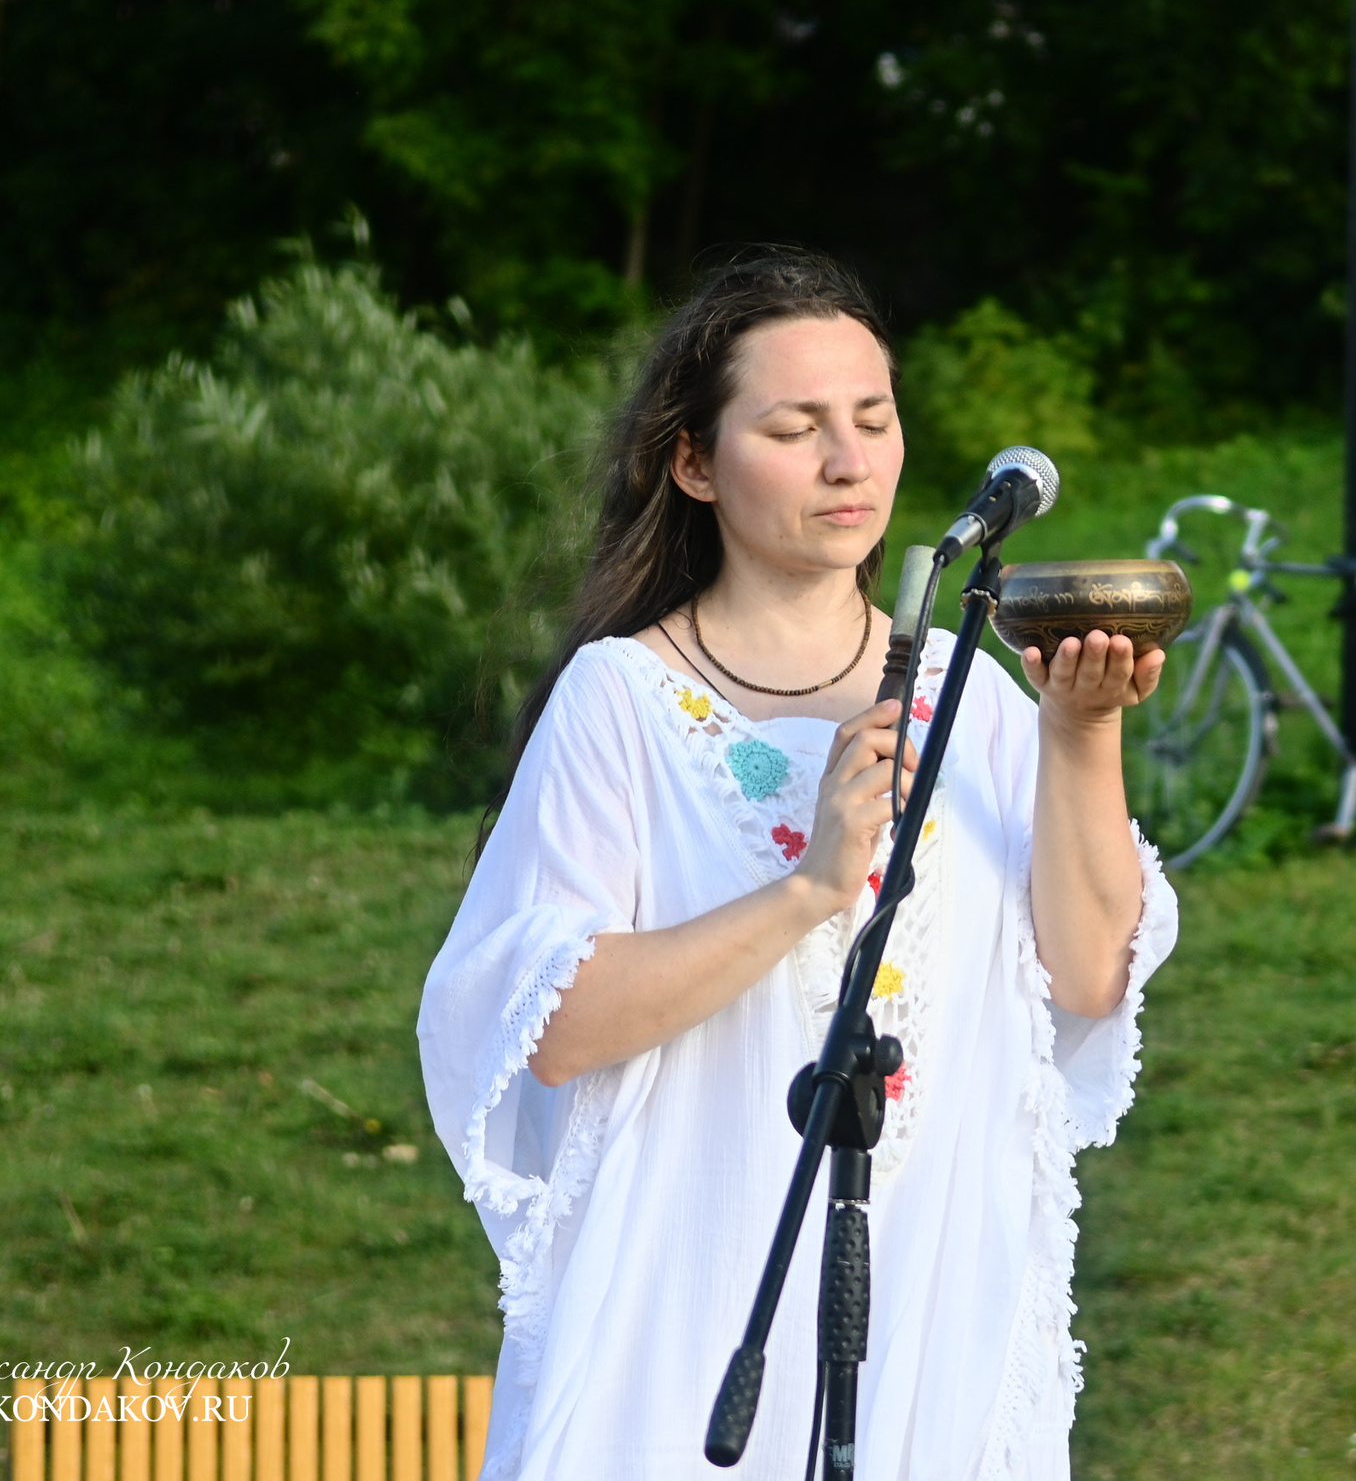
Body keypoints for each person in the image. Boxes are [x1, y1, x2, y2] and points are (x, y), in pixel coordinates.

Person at [417, 250, 1176, 1481]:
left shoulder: (969, 697)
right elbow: (543, 1023)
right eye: (795, 426)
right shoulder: (623, 703)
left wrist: (1082, 735)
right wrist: (810, 888)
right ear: (695, 463)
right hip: (690, 1314)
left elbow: (1088, 977)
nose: (849, 461)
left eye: (872, 420)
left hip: (934, 1305)